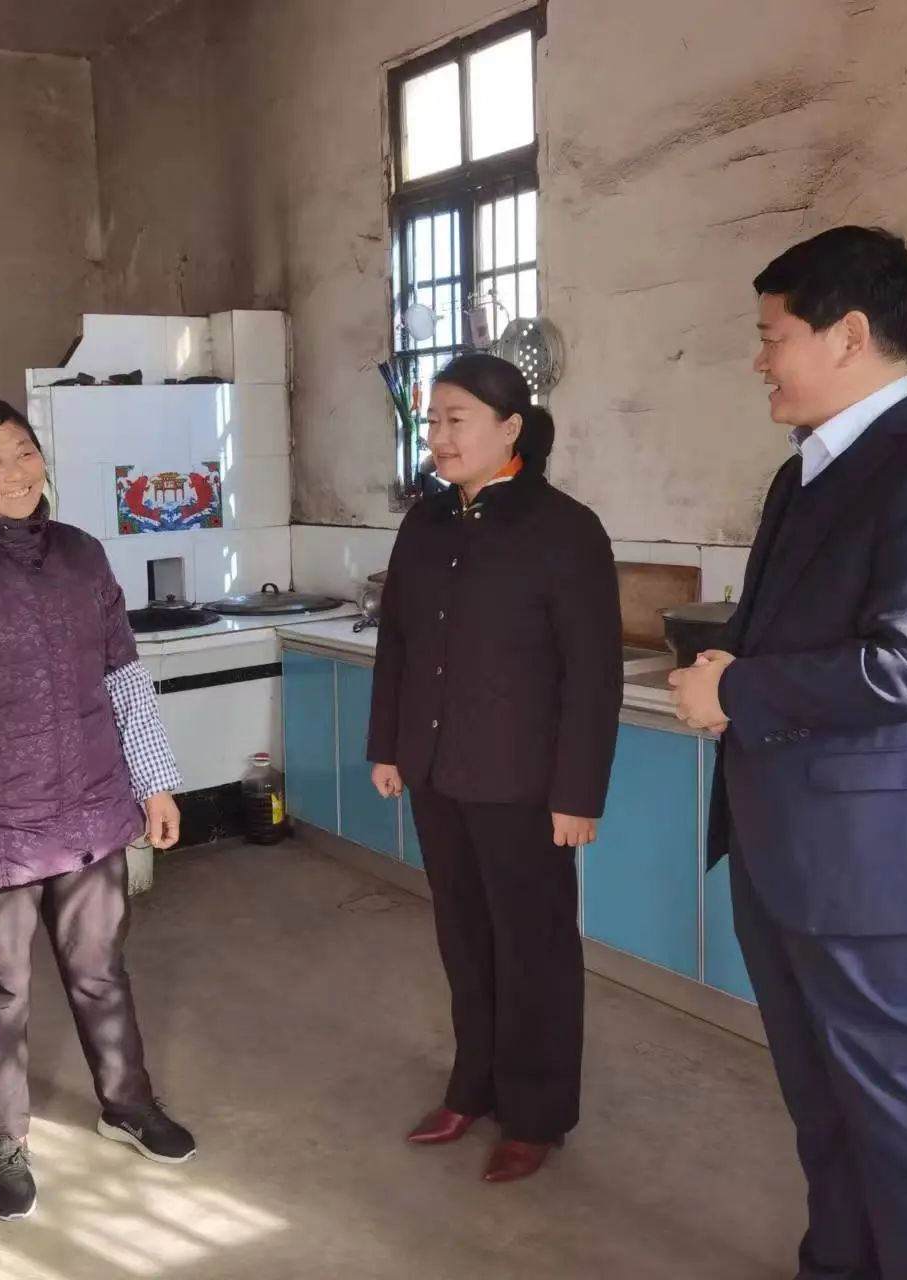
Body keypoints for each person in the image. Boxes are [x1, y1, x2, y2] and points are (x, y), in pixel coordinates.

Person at [671, 226, 907, 1280]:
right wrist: (730, 663)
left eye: (772, 336)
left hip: (880, 875)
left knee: (903, 1127)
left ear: (849, 335)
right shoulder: (805, 475)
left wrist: (734, 688)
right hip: (788, 853)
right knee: (824, 1109)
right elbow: (792, 631)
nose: (759, 360)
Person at [0, 397, 195, 1223]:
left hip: (92, 805)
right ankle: (5, 1142)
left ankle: (127, 1105)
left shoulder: (83, 556)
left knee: (101, 969)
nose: (17, 471)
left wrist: (154, 782)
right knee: (0, 988)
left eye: (24, 451)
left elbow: (124, 677)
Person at [367, 353, 622, 1184]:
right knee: (465, 939)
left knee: (533, 949)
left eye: (456, 420)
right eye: (431, 421)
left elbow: (592, 674)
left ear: (510, 428)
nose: (438, 437)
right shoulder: (427, 522)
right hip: (438, 772)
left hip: (524, 784)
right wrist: (388, 745)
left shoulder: (564, 529)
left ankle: (537, 1113)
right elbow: (398, 642)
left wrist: (578, 793)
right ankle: (472, 1086)